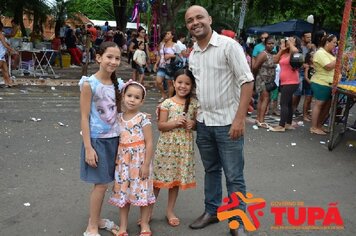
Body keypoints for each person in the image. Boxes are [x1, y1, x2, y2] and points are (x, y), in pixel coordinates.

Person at [185, 5, 254, 236]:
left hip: (228, 123)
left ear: (210, 19)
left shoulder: (228, 46)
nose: (195, 22)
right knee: (211, 170)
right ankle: (212, 211)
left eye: (199, 17)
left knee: (234, 175)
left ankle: (237, 220)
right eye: (190, 20)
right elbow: (198, 89)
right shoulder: (193, 54)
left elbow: (247, 81)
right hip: (204, 124)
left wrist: (239, 119)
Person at [79, 41, 122, 236]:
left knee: (108, 182)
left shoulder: (119, 85)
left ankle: (96, 219)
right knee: (101, 184)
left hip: (116, 140)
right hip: (97, 141)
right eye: (109, 57)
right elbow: (84, 117)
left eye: (117, 58)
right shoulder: (89, 84)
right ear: (98, 58)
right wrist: (88, 147)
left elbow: (122, 112)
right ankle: (92, 227)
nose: (113, 61)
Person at [109, 81, 155, 236]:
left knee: (143, 193)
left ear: (142, 101)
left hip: (139, 162)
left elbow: (149, 143)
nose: (132, 99)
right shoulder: (118, 118)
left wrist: (146, 164)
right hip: (123, 163)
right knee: (123, 194)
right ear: (123, 97)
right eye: (129, 95)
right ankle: (123, 226)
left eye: (136, 97)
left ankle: (145, 224)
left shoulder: (143, 119)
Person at [153, 69, 198, 227]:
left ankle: (170, 211)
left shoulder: (194, 104)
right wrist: (174, 122)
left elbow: (197, 124)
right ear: (173, 83)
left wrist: (193, 124)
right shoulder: (167, 103)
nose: (183, 86)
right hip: (166, 148)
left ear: (192, 85)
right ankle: (148, 211)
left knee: (175, 182)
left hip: (183, 149)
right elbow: (161, 126)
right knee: (157, 181)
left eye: (187, 83)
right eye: (180, 82)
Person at [269, 36, 301, 132]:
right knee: (289, 103)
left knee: (283, 103)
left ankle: (281, 125)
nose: (288, 42)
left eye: (291, 41)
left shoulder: (294, 53)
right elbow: (275, 60)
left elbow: (295, 51)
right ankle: (288, 124)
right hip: (285, 82)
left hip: (291, 82)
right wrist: (282, 48)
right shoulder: (284, 53)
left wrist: (291, 43)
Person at [310, 34, 337, 135]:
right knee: (319, 104)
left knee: (327, 105)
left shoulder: (330, 54)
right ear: (327, 43)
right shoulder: (320, 53)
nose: (335, 44)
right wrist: (339, 58)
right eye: (334, 42)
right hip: (321, 82)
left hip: (330, 83)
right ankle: (313, 127)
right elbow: (328, 66)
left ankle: (319, 125)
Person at [252, 36, 276, 128]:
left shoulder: (271, 54)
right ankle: (261, 120)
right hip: (262, 80)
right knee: (265, 98)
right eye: (269, 43)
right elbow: (255, 67)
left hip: (268, 80)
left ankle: (259, 119)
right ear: (265, 44)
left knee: (263, 99)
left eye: (272, 43)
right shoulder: (263, 54)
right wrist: (257, 76)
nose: (271, 45)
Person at [292, 31, 313, 117]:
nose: (309, 39)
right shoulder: (298, 47)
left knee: (301, 93)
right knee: (297, 92)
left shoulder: (310, 47)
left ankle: (295, 109)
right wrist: (302, 64)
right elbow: (294, 60)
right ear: (303, 38)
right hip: (299, 72)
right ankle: (291, 110)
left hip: (307, 71)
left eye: (310, 37)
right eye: (307, 37)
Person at [154, 31, 179, 101]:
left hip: (170, 66)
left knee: (169, 83)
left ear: (172, 36)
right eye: (166, 33)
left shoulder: (175, 45)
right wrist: (156, 64)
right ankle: (163, 95)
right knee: (158, 82)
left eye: (168, 34)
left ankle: (170, 98)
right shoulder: (162, 44)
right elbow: (159, 55)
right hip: (162, 65)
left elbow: (179, 56)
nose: (166, 35)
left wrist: (170, 55)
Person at [0, 22, 16, 87]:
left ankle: (9, 83)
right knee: (4, 69)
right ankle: (8, 83)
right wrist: (12, 50)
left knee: (5, 70)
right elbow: (5, 44)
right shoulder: (0, 34)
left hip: (2, 55)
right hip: (0, 54)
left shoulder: (2, 34)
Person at [302, 51, 315, 121]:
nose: (314, 58)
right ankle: (304, 115)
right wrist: (310, 83)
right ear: (309, 58)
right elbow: (306, 77)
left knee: (310, 100)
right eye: (312, 57)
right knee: (307, 100)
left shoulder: (315, 66)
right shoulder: (307, 66)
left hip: (313, 85)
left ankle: (307, 114)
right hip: (308, 84)